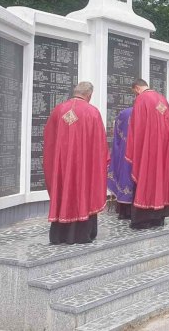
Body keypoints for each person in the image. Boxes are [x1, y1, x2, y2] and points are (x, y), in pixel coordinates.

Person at [43, 82, 108, 244]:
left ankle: (59, 236)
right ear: (89, 95)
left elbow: (49, 139)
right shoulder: (92, 112)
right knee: (83, 193)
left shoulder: (58, 110)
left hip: (62, 168)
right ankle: (81, 234)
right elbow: (100, 145)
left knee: (63, 192)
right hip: (83, 167)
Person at [126, 79, 169, 229]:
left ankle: (142, 220)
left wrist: (134, 150)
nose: (135, 95)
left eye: (134, 92)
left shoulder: (142, 99)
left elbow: (136, 128)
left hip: (149, 150)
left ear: (137, 88)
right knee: (161, 178)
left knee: (147, 179)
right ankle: (159, 218)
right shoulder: (162, 99)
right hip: (165, 149)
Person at [108, 107, 134, 219]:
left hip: (125, 152)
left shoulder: (124, 113)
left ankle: (125, 211)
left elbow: (117, 137)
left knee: (126, 176)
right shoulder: (150, 112)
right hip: (142, 153)